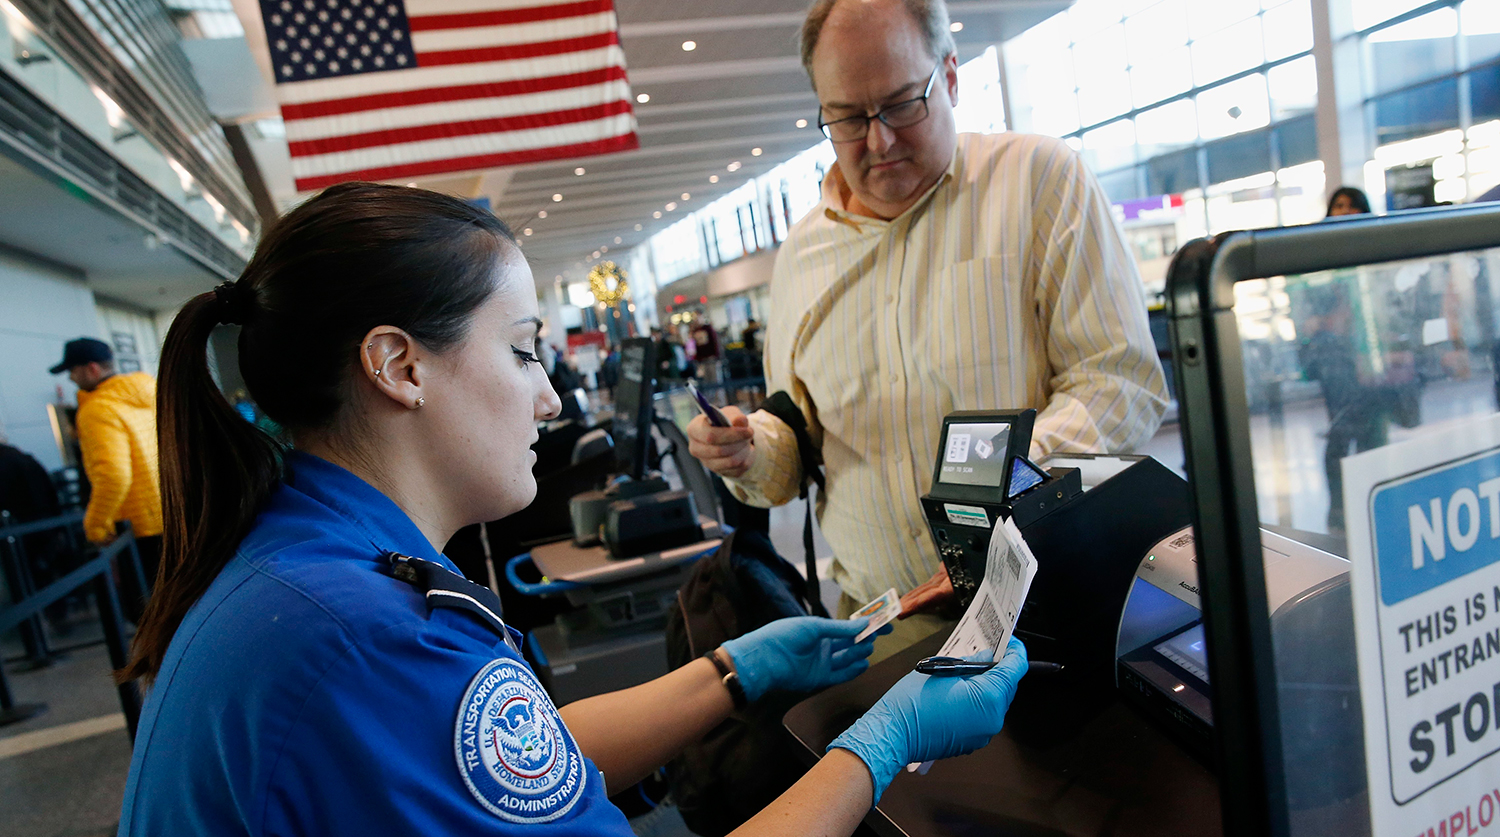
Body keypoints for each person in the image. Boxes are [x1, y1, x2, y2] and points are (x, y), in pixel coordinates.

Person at [115, 183, 1028, 836]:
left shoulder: (312, 568)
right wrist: (882, 743)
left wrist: (728, 670)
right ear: (399, 367)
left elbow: (514, 764)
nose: (551, 398)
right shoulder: (370, 635)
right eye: (522, 351)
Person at [687, 0, 1167, 655]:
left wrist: (995, 491)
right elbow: (794, 444)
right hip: (880, 625)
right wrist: (749, 452)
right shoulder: (801, 257)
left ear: (951, 75)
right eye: (849, 117)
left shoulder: (1039, 181)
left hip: (1039, 604)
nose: (879, 139)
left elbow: (1120, 382)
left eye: (902, 103)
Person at [49, 336, 162, 619]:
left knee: (142, 611)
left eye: (72, 371)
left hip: (138, 527)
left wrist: (96, 525)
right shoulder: (148, 394)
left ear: (91, 369)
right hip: (172, 511)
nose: (72, 378)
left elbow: (114, 475)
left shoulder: (97, 409)